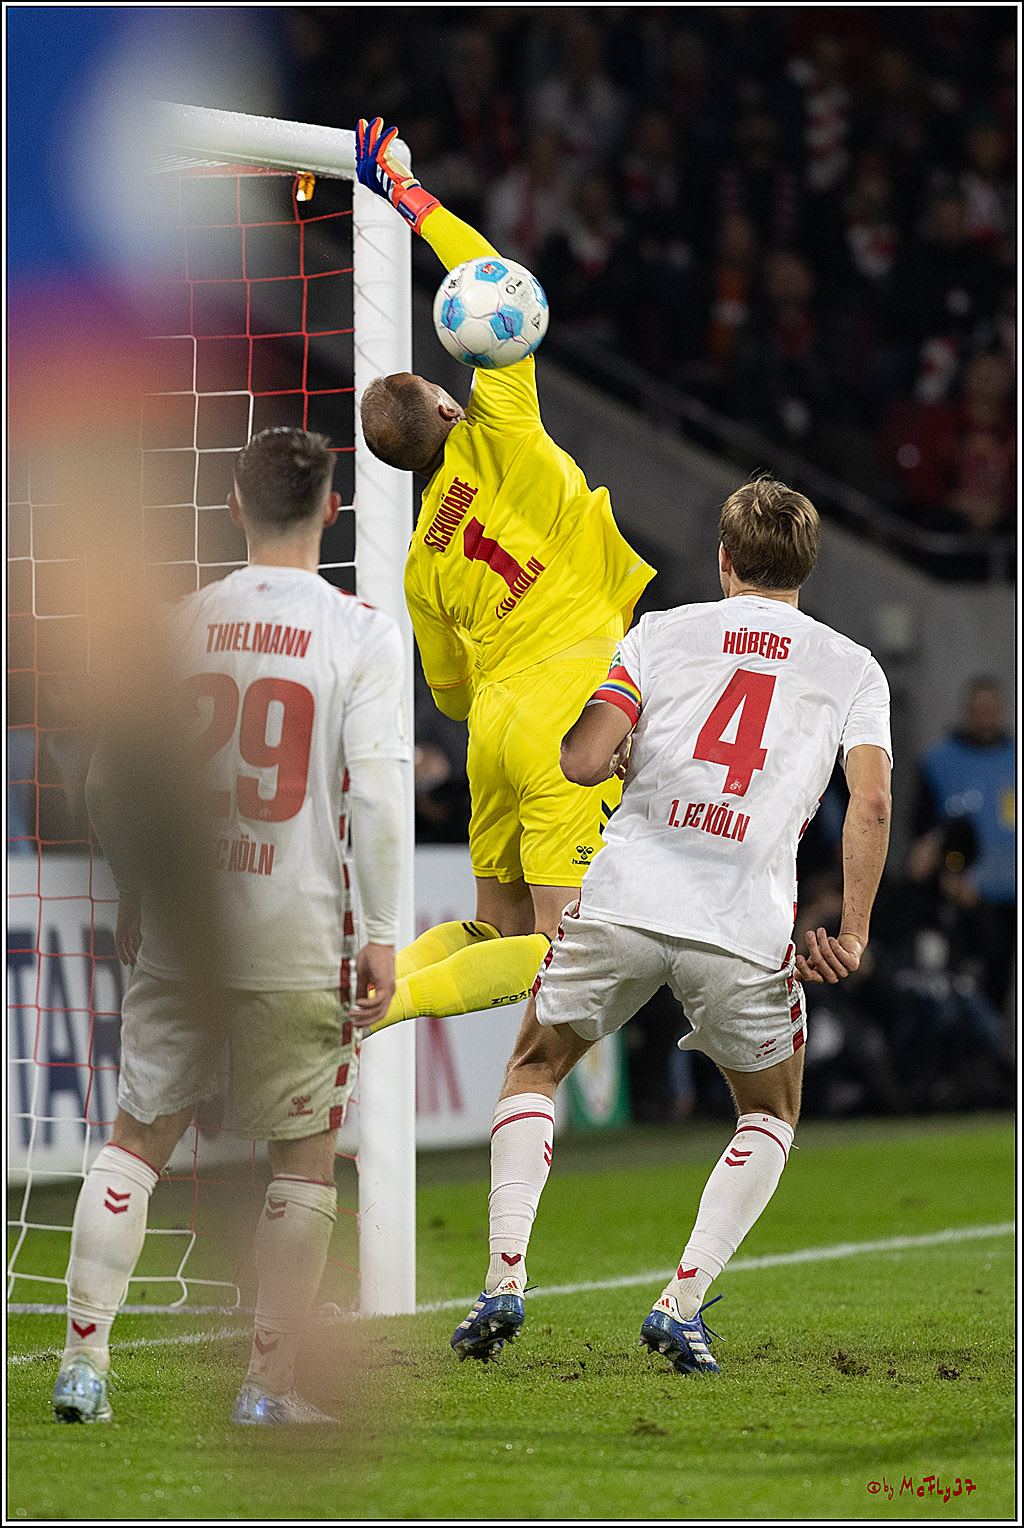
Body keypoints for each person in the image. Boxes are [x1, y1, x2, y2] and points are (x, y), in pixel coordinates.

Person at [450, 475, 892, 1374]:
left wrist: (612, 742)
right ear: (807, 567)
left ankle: (502, 1280)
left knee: (536, 1066)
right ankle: (681, 1301)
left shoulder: (658, 633)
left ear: (725, 560)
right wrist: (856, 926)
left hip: (624, 897)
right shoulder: (851, 665)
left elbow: (578, 761)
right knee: (768, 1111)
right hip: (743, 921)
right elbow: (873, 801)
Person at [52, 428, 410, 1426]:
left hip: (182, 928)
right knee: (301, 1157)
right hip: (302, 935)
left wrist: (135, 883)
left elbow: (108, 782)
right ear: (332, 509)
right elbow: (377, 796)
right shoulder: (361, 632)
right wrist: (382, 931)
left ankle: (84, 1367)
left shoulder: (173, 624)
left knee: (135, 1139)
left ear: (232, 505)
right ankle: (266, 1389)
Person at [354, 117, 655, 1033]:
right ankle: (385, 1007)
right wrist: (408, 193)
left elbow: (445, 694)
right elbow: (490, 278)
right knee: (562, 942)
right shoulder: (505, 423)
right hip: (572, 705)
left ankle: (365, 983)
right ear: (451, 400)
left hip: (494, 728)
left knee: (496, 924)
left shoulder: (417, 562)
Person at [910, 676, 1015, 1011]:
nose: (985, 715)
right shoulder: (939, 762)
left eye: (991, 708)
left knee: (1003, 990)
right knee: (962, 991)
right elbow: (921, 836)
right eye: (978, 708)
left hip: (1012, 899)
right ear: (967, 710)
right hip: (960, 900)